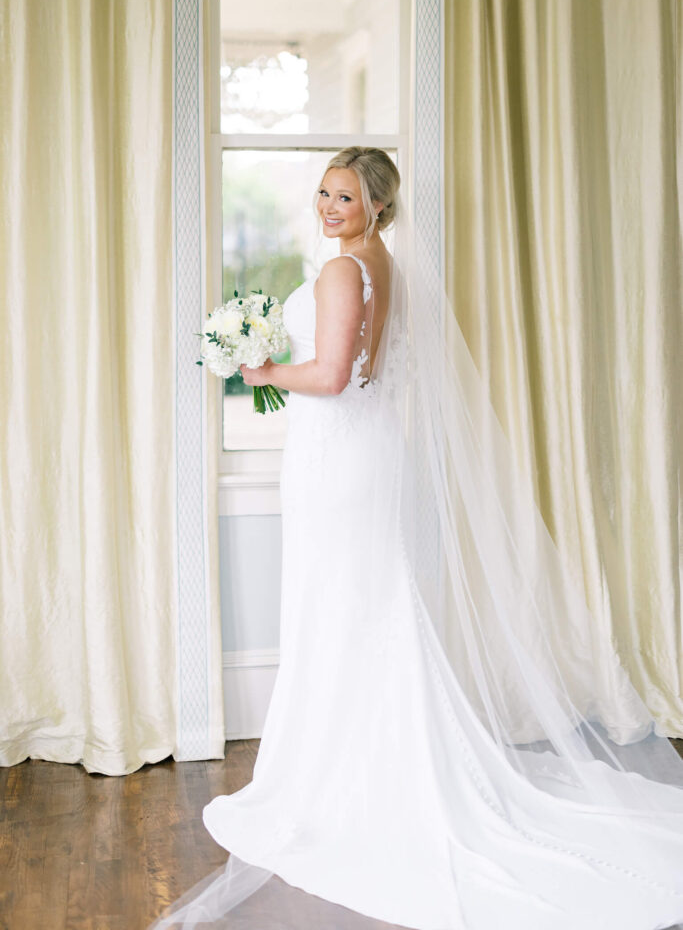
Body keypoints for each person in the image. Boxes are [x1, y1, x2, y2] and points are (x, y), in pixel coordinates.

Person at [152, 147, 683, 930]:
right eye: (324, 192)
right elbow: (365, 370)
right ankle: (374, 762)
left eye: (346, 196)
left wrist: (261, 371)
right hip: (365, 457)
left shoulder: (342, 271)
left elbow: (334, 377)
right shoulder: (377, 264)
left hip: (339, 463)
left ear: (376, 204)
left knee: (341, 611)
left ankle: (341, 779)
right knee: (365, 610)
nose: (329, 206)